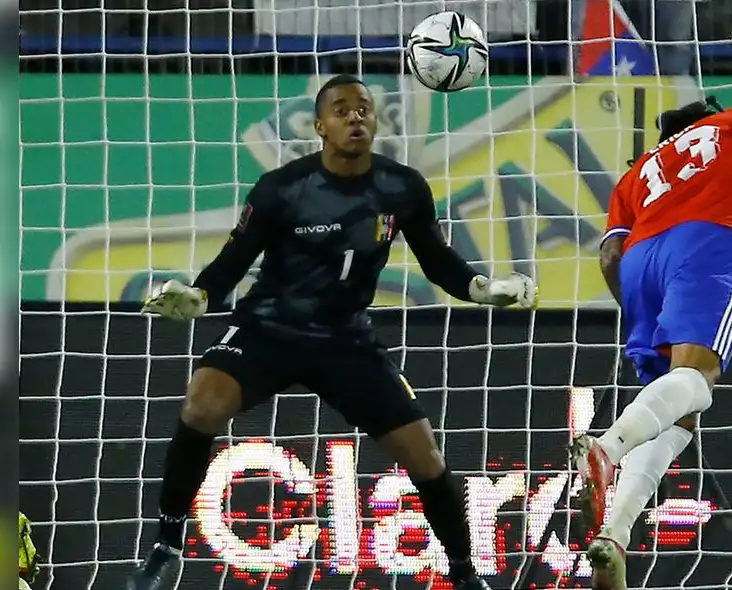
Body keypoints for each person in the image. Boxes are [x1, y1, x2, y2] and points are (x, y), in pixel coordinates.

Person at [127, 74, 538, 590]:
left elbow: (438, 261)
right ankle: (165, 547)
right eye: (341, 109)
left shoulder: (403, 187)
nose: (355, 116)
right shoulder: (282, 188)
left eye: (364, 108)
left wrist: (482, 288)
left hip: (346, 340)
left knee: (424, 455)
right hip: (269, 328)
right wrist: (201, 297)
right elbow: (233, 260)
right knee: (200, 403)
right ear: (320, 126)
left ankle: (462, 571)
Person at [571, 93, 732, 589]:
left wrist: (638, 311)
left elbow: (609, 255)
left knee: (680, 415)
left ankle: (615, 534)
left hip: (640, 262)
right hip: (708, 239)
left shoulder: (638, 171)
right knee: (697, 378)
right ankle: (605, 448)